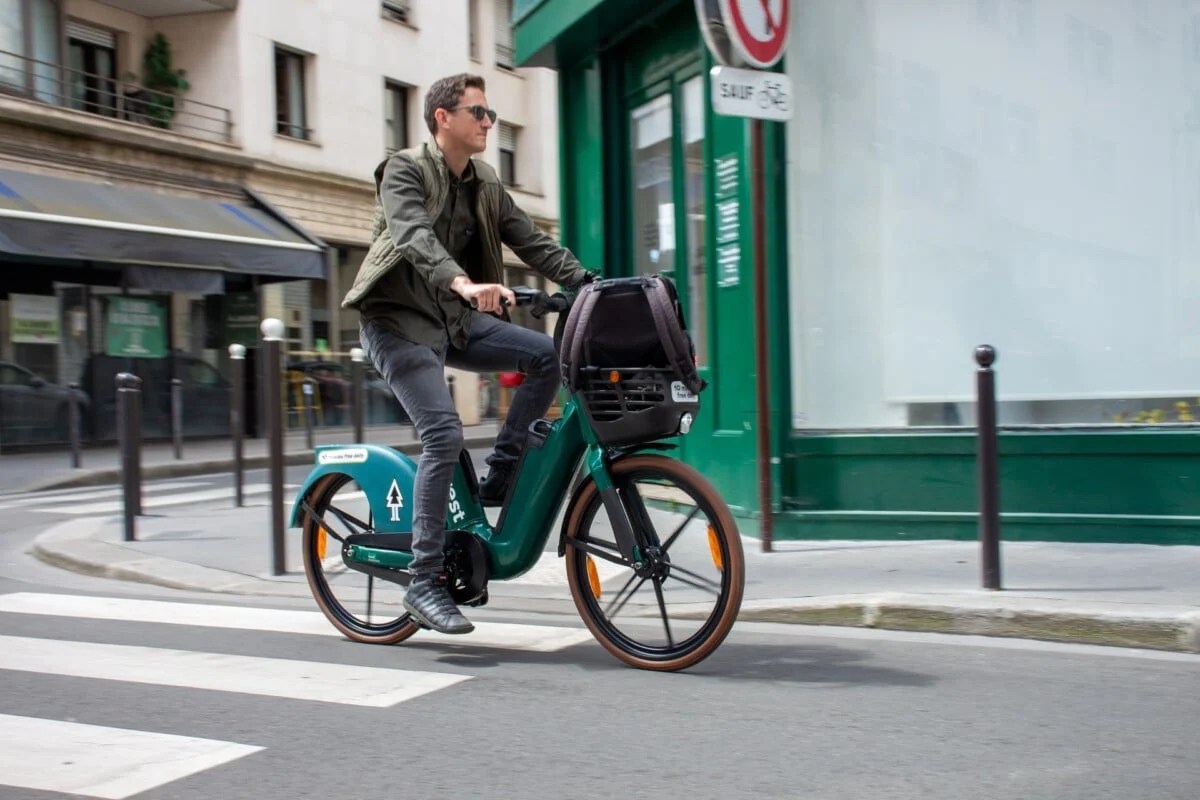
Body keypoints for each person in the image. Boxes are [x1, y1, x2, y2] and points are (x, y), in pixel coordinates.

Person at [342, 73, 593, 635]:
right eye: (478, 112)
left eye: (491, 114)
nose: (488, 123)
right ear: (442, 118)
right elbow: (412, 236)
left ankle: (501, 478)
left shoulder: (484, 181)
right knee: (443, 433)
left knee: (545, 357)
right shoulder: (404, 169)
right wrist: (461, 282)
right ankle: (423, 581)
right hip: (398, 325)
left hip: (453, 324)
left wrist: (589, 281)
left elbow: (530, 240)